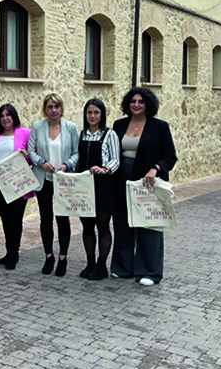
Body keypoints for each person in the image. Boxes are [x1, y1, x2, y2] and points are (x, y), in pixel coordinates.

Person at [111, 87, 176, 286]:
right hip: (123, 179)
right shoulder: (119, 125)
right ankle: (123, 267)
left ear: (148, 104)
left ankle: (149, 271)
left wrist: (155, 168)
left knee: (149, 225)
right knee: (123, 223)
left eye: (140, 101)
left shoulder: (160, 127)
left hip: (148, 181)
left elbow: (170, 157)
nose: (136, 105)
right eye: (133, 101)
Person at [28, 93, 79, 277]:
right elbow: (30, 150)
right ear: (45, 109)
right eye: (50, 107)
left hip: (63, 179)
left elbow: (76, 152)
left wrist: (67, 165)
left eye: (56, 106)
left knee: (63, 218)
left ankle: (63, 258)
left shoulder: (71, 128)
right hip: (44, 179)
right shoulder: (37, 127)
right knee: (45, 218)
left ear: (61, 108)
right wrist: (41, 162)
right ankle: (49, 256)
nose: (53, 110)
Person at [0, 104, 34, 270]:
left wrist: (27, 156)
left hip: (17, 185)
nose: (5, 118)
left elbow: (33, 155)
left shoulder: (25, 133)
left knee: (15, 219)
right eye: (2, 115)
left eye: (8, 115)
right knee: (6, 219)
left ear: (14, 117)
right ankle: (9, 251)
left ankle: (13, 253)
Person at [76, 98, 120, 281]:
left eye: (96, 113)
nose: (92, 116)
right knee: (86, 226)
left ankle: (102, 265)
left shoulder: (110, 135)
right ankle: (90, 262)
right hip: (84, 187)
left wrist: (105, 169)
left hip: (103, 186)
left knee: (102, 225)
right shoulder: (82, 134)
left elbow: (116, 159)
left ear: (102, 115)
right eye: (89, 112)